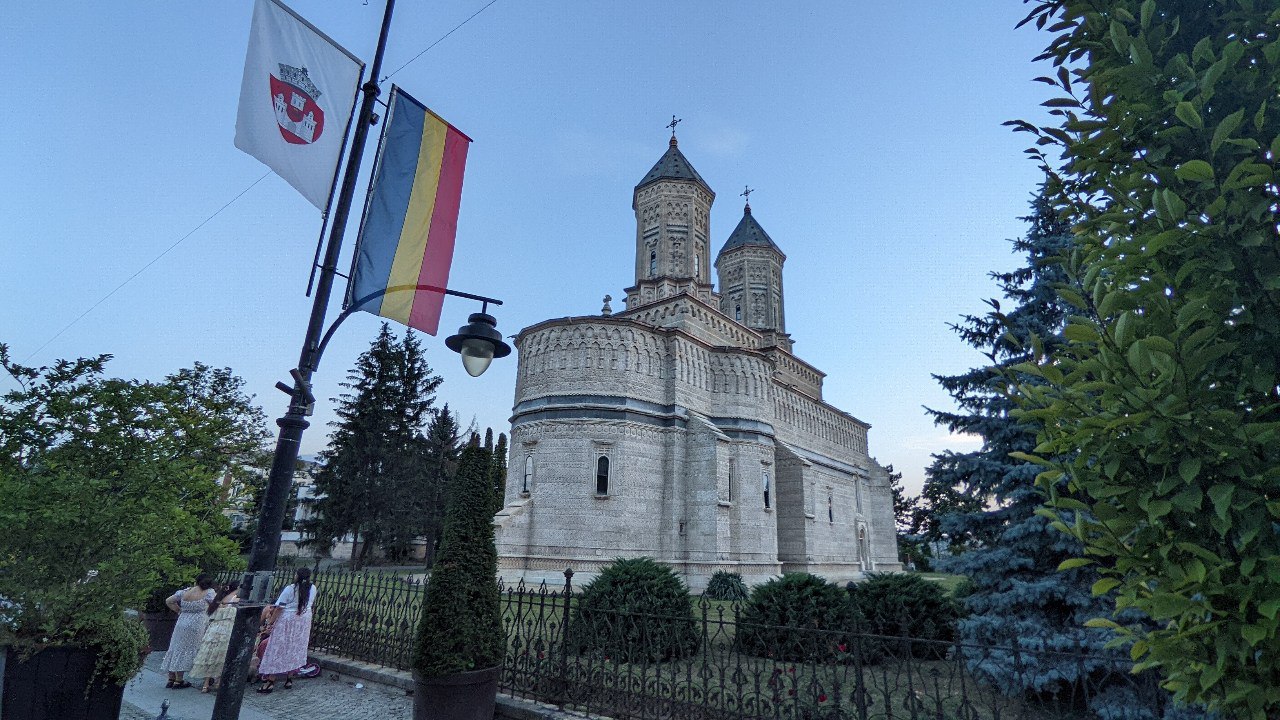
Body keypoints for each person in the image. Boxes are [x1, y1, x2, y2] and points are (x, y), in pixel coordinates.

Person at [256, 568, 316, 693]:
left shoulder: (291, 589)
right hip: (303, 620)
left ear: (297, 576)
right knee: (295, 647)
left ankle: (270, 681)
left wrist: (270, 622)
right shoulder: (312, 588)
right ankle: (289, 678)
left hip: (288, 620)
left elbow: (279, 607)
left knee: (277, 647)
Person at [159, 573, 216, 689]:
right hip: (197, 623)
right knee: (189, 648)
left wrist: (179, 610)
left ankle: (171, 678)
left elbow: (169, 600)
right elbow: (216, 604)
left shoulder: (185, 591)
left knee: (176, 647)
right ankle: (179, 680)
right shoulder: (208, 592)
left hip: (182, 621)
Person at [190, 581, 240, 693]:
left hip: (213, 629)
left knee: (210, 655)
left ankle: (206, 683)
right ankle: (218, 681)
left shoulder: (218, 599)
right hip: (227, 629)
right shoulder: (235, 599)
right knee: (221, 656)